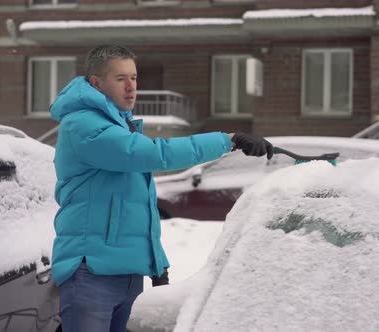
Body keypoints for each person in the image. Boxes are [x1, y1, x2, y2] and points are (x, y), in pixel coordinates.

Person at [50, 44, 273, 332]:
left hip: (127, 273)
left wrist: (157, 263)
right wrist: (227, 140)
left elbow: (136, 207)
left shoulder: (118, 125)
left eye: (134, 78)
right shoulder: (83, 126)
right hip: (91, 272)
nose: (131, 87)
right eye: (120, 79)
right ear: (96, 83)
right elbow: (157, 153)